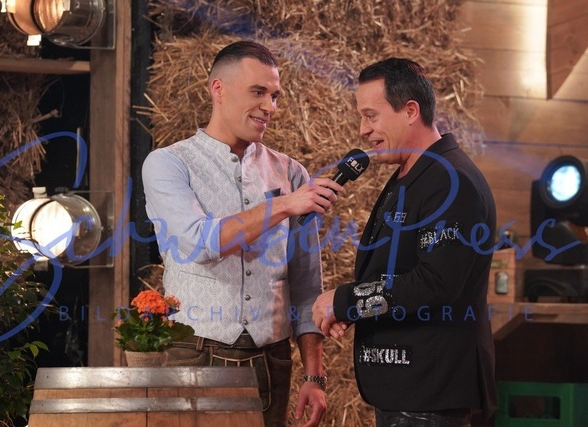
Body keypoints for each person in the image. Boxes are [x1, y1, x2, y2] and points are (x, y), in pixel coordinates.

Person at [142, 40, 342, 427]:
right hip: (193, 353)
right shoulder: (168, 164)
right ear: (218, 89)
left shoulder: (291, 172)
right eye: (258, 92)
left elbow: (306, 284)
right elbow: (199, 242)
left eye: (275, 95)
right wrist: (283, 205)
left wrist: (314, 376)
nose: (270, 106)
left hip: (271, 358)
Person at [312, 58, 497, 426]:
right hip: (408, 387)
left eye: (371, 116)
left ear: (411, 111)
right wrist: (352, 309)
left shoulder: (450, 181)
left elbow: (436, 283)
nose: (363, 130)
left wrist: (346, 301)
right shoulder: (414, 173)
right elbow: (397, 273)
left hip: (430, 389)